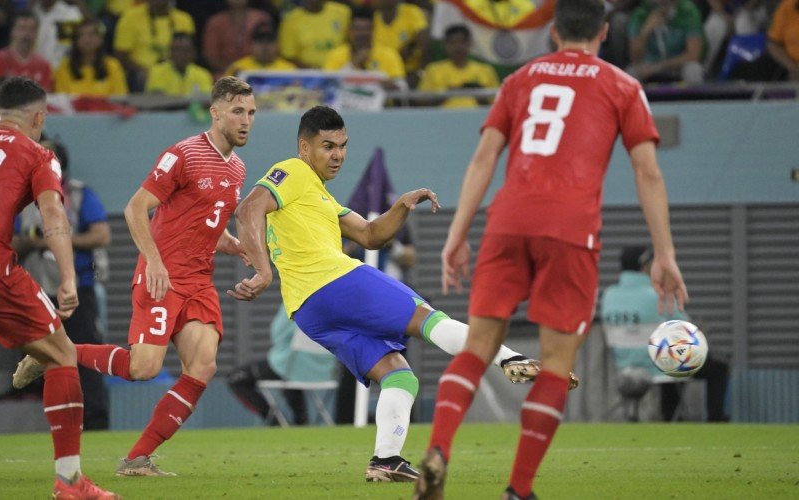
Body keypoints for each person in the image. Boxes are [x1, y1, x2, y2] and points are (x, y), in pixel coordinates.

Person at [414, 0, 689, 497]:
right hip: (570, 229)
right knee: (556, 364)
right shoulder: (623, 86)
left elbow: (484, 157)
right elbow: (648, 171)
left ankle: (439, 449)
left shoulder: (518, 80)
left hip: (507, 221)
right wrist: (664, 253)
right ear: (604, 31)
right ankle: (518, 489)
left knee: (478, 348)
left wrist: (456, 233)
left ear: (555, 32)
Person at [230, 105, 576, 483]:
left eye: (342, 146)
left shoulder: (320, 196)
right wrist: (264, 271)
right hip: (335, 281)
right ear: (304, 147)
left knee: (399, 375)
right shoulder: (293, 171)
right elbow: (248, 209)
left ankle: (385, 460)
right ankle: (511, 360)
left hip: (309, 311)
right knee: (427, 318)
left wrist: (401, 205)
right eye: (327, 146)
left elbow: (371, 234)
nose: (337, 155)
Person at [14, 76, 256, 477]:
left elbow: (206, 225)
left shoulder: (238, 167)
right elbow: (134, 209)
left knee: (204, 365)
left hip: (198, 281)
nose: (246, 120)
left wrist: (236, 245)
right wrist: (155, 262)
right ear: (215, 113)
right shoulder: (183, 154)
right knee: (142, 368)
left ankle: (137, 458)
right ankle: (56, 353)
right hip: (161, 276)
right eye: (237, 111)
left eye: (251, 113)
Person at [0, 76, 118, 499]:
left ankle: (38, 345)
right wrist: (68, 278)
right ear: (38, 117)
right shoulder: (37, 153)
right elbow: (53, 217)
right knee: (63, 356)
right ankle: (70, 483)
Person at [13, 136, 112, 430]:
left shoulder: (80, 194)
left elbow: (102, 235)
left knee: (85, 350)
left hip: (78, 287)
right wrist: (32, 243)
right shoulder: (20, 197)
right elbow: (12, 241)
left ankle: (95, 420)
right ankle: (55, 421)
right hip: (36, 289)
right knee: (38, 358)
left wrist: (59, 240)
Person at [602, 245, 729, 422]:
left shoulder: (609, 296)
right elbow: (687, 327)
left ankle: (672, 416)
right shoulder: (657, 295)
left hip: (625, 367)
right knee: (716, 368)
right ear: (645, 266)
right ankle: (713, 419)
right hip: (660, 367)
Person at [227, 303, 337, 425]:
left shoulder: (293, 302)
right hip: (325, 372)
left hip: (288, 367)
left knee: (235, 379)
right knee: (290, 377)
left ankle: (275, 422)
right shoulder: (331, 304)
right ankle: (301, 422)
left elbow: (277, 334)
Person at [113, 0, 195, 91]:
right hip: (142, 73)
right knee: (144, 78)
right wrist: (145, 70)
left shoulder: (184, 19)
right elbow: (121, 55)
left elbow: (188, 50)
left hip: (175, 70)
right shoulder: (130, 17)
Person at [417, 24, 500, 108]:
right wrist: (446, 95)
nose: (458, 47)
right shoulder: (433, 69)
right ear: (445, 45)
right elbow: (422, 102)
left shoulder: (485, 70)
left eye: (462, 42)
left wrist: (479, 95)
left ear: (469, 44)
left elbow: (497, 104)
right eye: (453, 43)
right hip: (442, 119)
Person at [323, 6, 406, 87]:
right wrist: (354, 64)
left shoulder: (389, 54)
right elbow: (328, 84)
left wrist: (388, 84)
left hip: (383, 100)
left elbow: (403, 88)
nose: (362, 33)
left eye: (366, 29)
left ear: (373, 30)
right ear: (350, 30)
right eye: (358, 29)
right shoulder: (336, 54)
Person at [627, 0, 705, 85]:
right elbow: (634, 58)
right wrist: (646, 31)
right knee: (631, 74)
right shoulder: (641, 13)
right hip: (649, 64)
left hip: (678, 64)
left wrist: (660, 66)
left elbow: (693, 55)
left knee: (694, 70)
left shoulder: (688, 10)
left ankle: (693, 97)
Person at [54, 19, 128, 97]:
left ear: (101, 39)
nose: (87, 39)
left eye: (92, 34)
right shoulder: (65, 66)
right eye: (81, 35)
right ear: (75, 40)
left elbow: (120, 98)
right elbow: (61, 99)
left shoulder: (112, 65)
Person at [202, 0, 275, 77]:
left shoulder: (261, 18)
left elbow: (268, 44)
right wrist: (233, 70)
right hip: (225, 73)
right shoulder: (215, 22)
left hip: (258, 71)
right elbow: (211, 55)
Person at [278, 0, 352, 68]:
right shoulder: (291, 20)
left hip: (343, 69)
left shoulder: (343, 12)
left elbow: (353, 41)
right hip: (308, 75)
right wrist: (314, 72)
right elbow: (289, 56)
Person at [145, 32, 214, 96]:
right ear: (170, 52)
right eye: (176, 49)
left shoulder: (203, 74)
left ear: (193, 53)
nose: (180, 54)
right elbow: (156, 98)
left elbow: (205, 100)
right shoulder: (156, 71)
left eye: (185, 50)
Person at [0, 11, 53, 91]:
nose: (26, 34)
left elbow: (47, 97)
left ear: (37, 33)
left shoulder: (44, 65)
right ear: (12, 31)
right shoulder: (0, 59)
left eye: (32, 29)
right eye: (22, 28)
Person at [224, 26, 296, 77]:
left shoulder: (289, 69)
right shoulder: (237, 68)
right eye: (260, 42)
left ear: (277, 45)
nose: (265, 47)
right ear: (251, 45)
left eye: (269, 42)